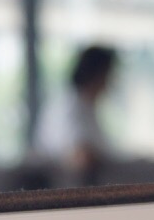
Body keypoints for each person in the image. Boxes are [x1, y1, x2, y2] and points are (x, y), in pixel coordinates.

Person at [34, 44, 118, 183]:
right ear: (98, 75)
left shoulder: (86, 107)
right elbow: (79, 158)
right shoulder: (69, 107)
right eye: (109, 74)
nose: (113, 81)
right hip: (66, 189)